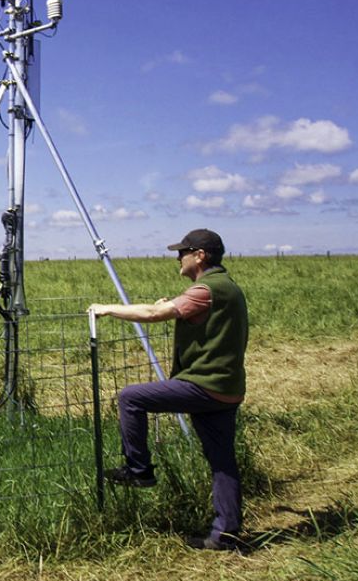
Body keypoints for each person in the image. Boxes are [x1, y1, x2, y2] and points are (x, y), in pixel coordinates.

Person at [89, 229, 249, 551]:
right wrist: (170, 306)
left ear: (200, 255)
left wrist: (106, 308)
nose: (178, 257)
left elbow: (152, 314)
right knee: (222, 461)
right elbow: (189, 313)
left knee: (130, 397)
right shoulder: (228, 288)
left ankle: (139, 470)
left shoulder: (206, 289)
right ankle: (225, 534)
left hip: (204, 385)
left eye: (183, 252)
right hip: (228, 388)